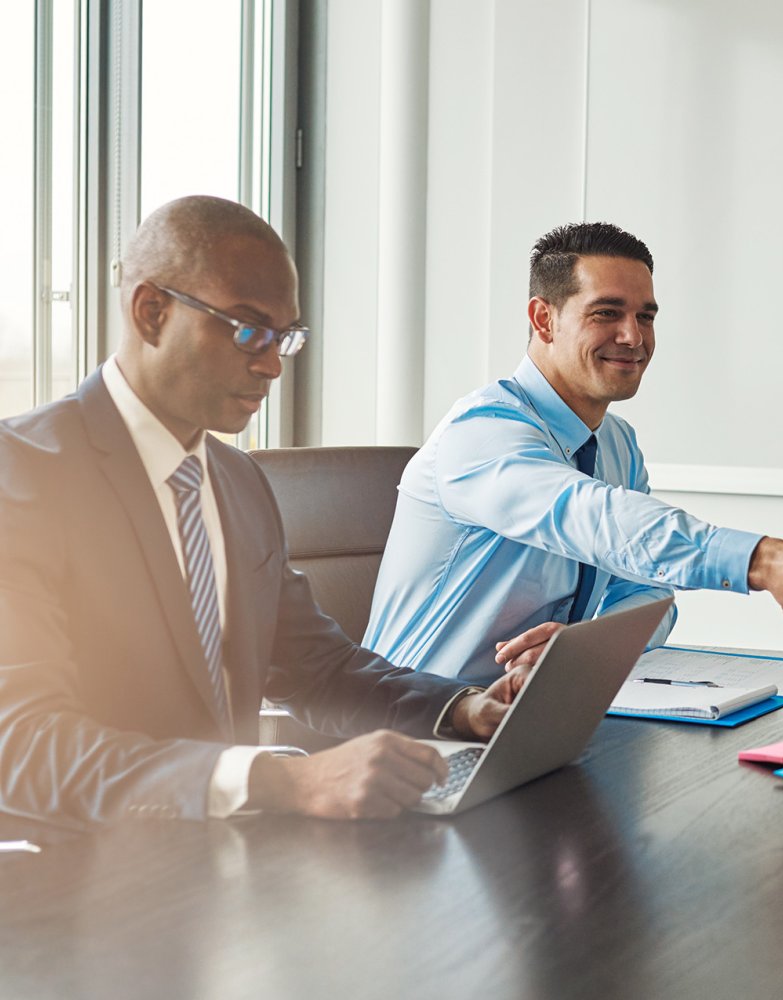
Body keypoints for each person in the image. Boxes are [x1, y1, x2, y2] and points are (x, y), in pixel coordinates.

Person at [0, 196, 524, 830]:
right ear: (150, 312)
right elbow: (22, 746)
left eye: (286, 338)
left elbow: (319, 669)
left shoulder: (237, 479)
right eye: (247, 329)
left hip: (222, 863)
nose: (272, 364)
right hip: (74, 879)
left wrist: (465, 708)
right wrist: (279, 778)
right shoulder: (23, 473)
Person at [364, 222, 783, 684]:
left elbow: (648, 594)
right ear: (544, 320)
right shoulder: (481, 434)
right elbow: (598, 519)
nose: (634, 337)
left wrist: (582, 647)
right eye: (607, 313)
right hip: (415, 730)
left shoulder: (616, 443)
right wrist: (764, 561)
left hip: (534, 714)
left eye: (646, 316)